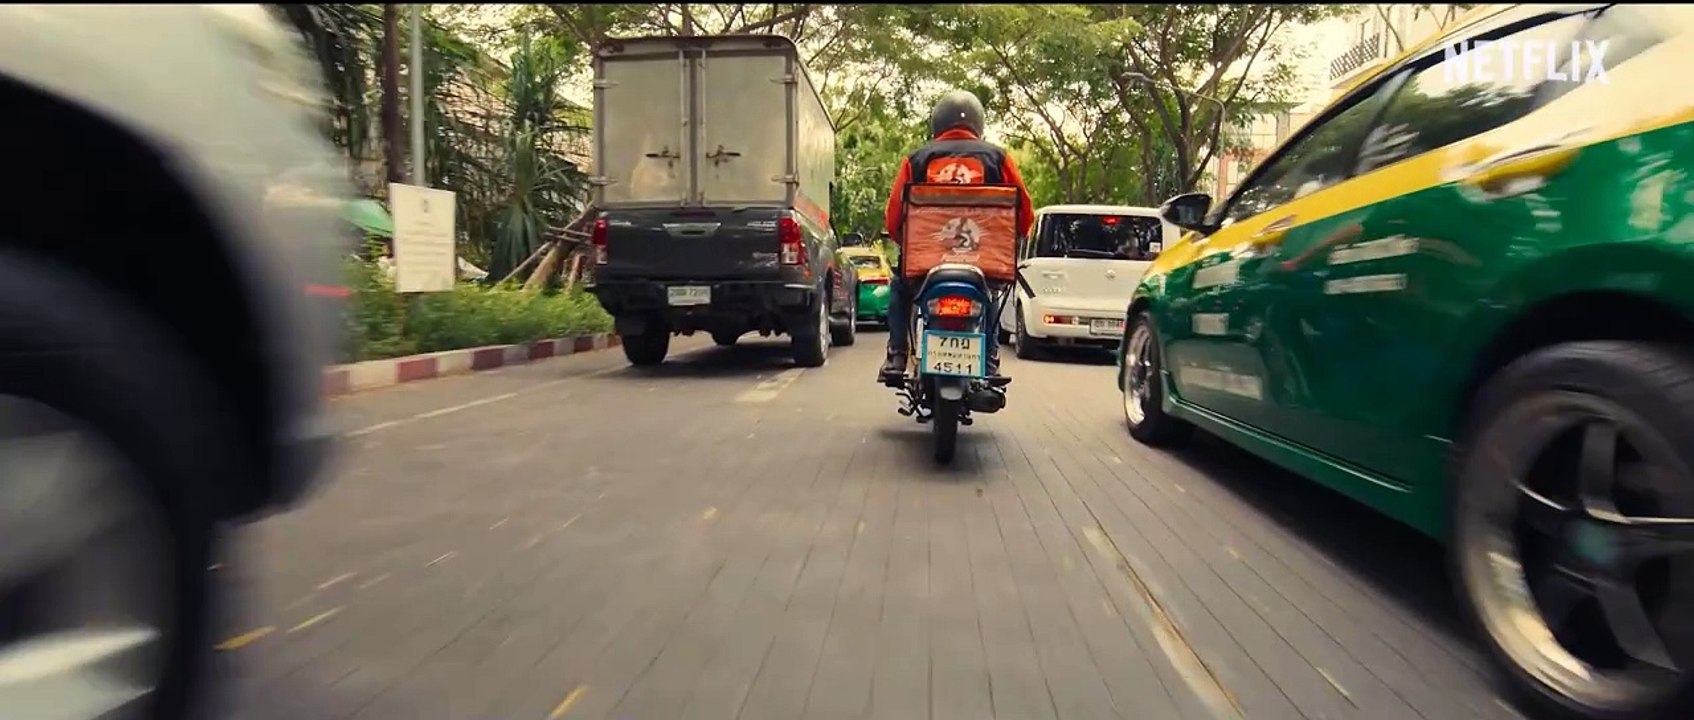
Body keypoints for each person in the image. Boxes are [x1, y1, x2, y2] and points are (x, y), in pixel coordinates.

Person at [878, 89, 1035, 382]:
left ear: (938, 123)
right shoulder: (998, 158)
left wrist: (908, 245)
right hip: (982, 262)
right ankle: (990, 360)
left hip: (925, 266)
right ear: (978, 123)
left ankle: (897, 354)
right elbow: (1025, 212)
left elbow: (894, 217)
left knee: (899, 288)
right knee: (989, 293)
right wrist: (1014, 238)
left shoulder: (916, 159)